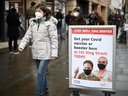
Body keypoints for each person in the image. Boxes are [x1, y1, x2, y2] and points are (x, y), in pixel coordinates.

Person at [18, 3, 58, 96]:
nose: (37, 13)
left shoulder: (50, 24)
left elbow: (54, 39)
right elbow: (27, 35)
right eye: (36, 11)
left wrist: (54, 53)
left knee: (40, 72)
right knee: (41, 72)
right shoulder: (33, 23)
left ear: (44, 13)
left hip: (46, 52)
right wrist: (21, 46)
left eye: (39, 11)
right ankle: (46, 88)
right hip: (36, 51)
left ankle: (39, 92)